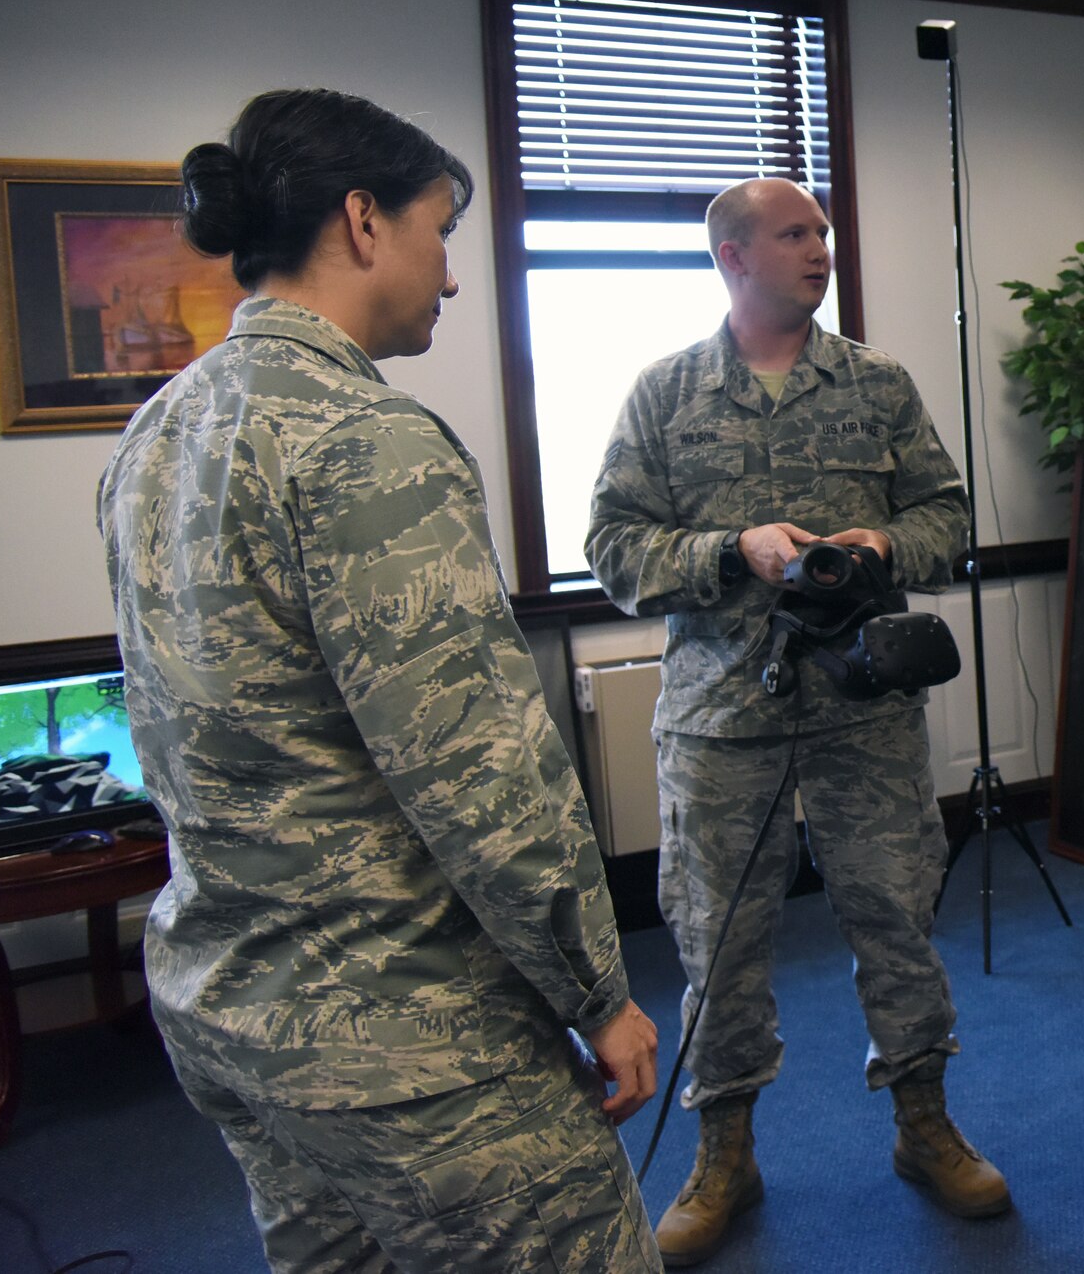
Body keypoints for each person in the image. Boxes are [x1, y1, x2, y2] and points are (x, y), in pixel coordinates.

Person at [98, 89, 662, 1274]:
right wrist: (597, 989)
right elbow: (480, 771)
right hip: (407, 1036)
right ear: (363, 222)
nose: (451, 276)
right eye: (440, 230)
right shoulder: (365, 438)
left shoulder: (157, 431)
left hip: (232, 1003)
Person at [586, 177, 1006, 1266]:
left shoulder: (874, 382)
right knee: (719, 947)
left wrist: (880, 545)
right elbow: (615, 550)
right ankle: (723, 1150)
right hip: (721, 719)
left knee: (895, 919)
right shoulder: (666, 392)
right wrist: (733, 549)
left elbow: (946, 515)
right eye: (793, 232)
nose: (819, 247)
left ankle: (924, 1125)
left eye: (822, 230)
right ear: (731, 255)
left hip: (863, 708)